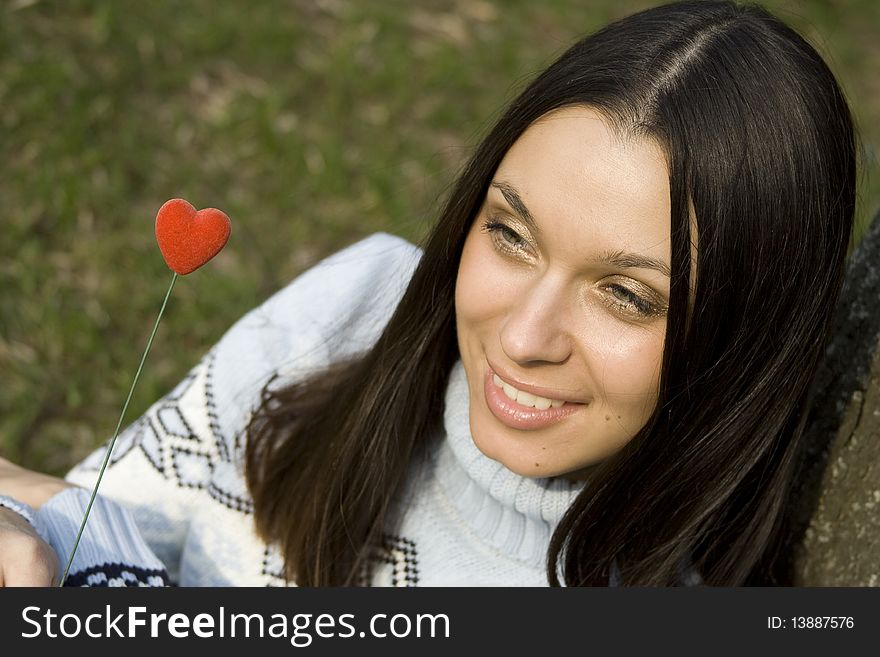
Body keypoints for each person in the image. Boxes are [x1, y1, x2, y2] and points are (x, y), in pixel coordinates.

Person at [0, 0, 857, 586]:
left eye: (626, 296)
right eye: (511, 234)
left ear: (745, 344)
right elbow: (100, 521)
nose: (523, 336)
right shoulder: (357, 306)